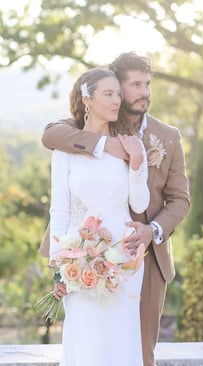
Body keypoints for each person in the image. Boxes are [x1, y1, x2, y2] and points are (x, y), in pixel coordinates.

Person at [39, 52, 190, 366]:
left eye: (147, 84)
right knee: (88, 340)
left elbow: (180, 200)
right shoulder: (91, 126)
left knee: (139, 348)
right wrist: (105, 146)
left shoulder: (167, 137)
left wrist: (152, 230)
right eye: (134, 85)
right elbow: (50, 135)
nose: (143, 92)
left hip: (144, 254)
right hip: (82, 249)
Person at [48, 67, 149, 365]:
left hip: (124, 256)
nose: (117, 100)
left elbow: (140, 203)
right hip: (76, 258)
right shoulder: (65, 151)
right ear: (87, 99)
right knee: (86, 337)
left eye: (118, 94)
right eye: (109, 94)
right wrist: (58, 266)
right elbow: (60, 210)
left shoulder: (131, 144)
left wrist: (137, 162)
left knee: (120, 340)